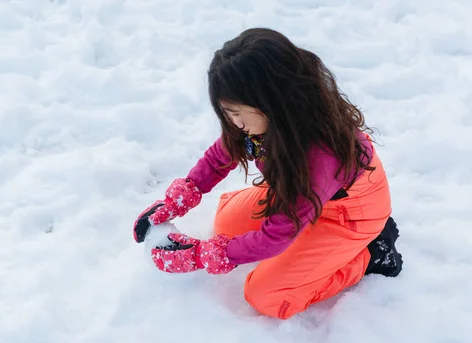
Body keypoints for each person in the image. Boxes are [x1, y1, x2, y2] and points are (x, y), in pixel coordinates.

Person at [132, 28, 403, 320]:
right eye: (226, 113)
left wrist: (200, 256)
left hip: (350, 215)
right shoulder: (264, 125)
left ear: (271, 101)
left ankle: (371, 253)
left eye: (236, 112)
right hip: (301, 196)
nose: (233, 123)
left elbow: (275, 236)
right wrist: (175, 201)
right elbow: (219, 156)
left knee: (268, 297)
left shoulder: (320, 156)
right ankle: (315, 243)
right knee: (226, 221)